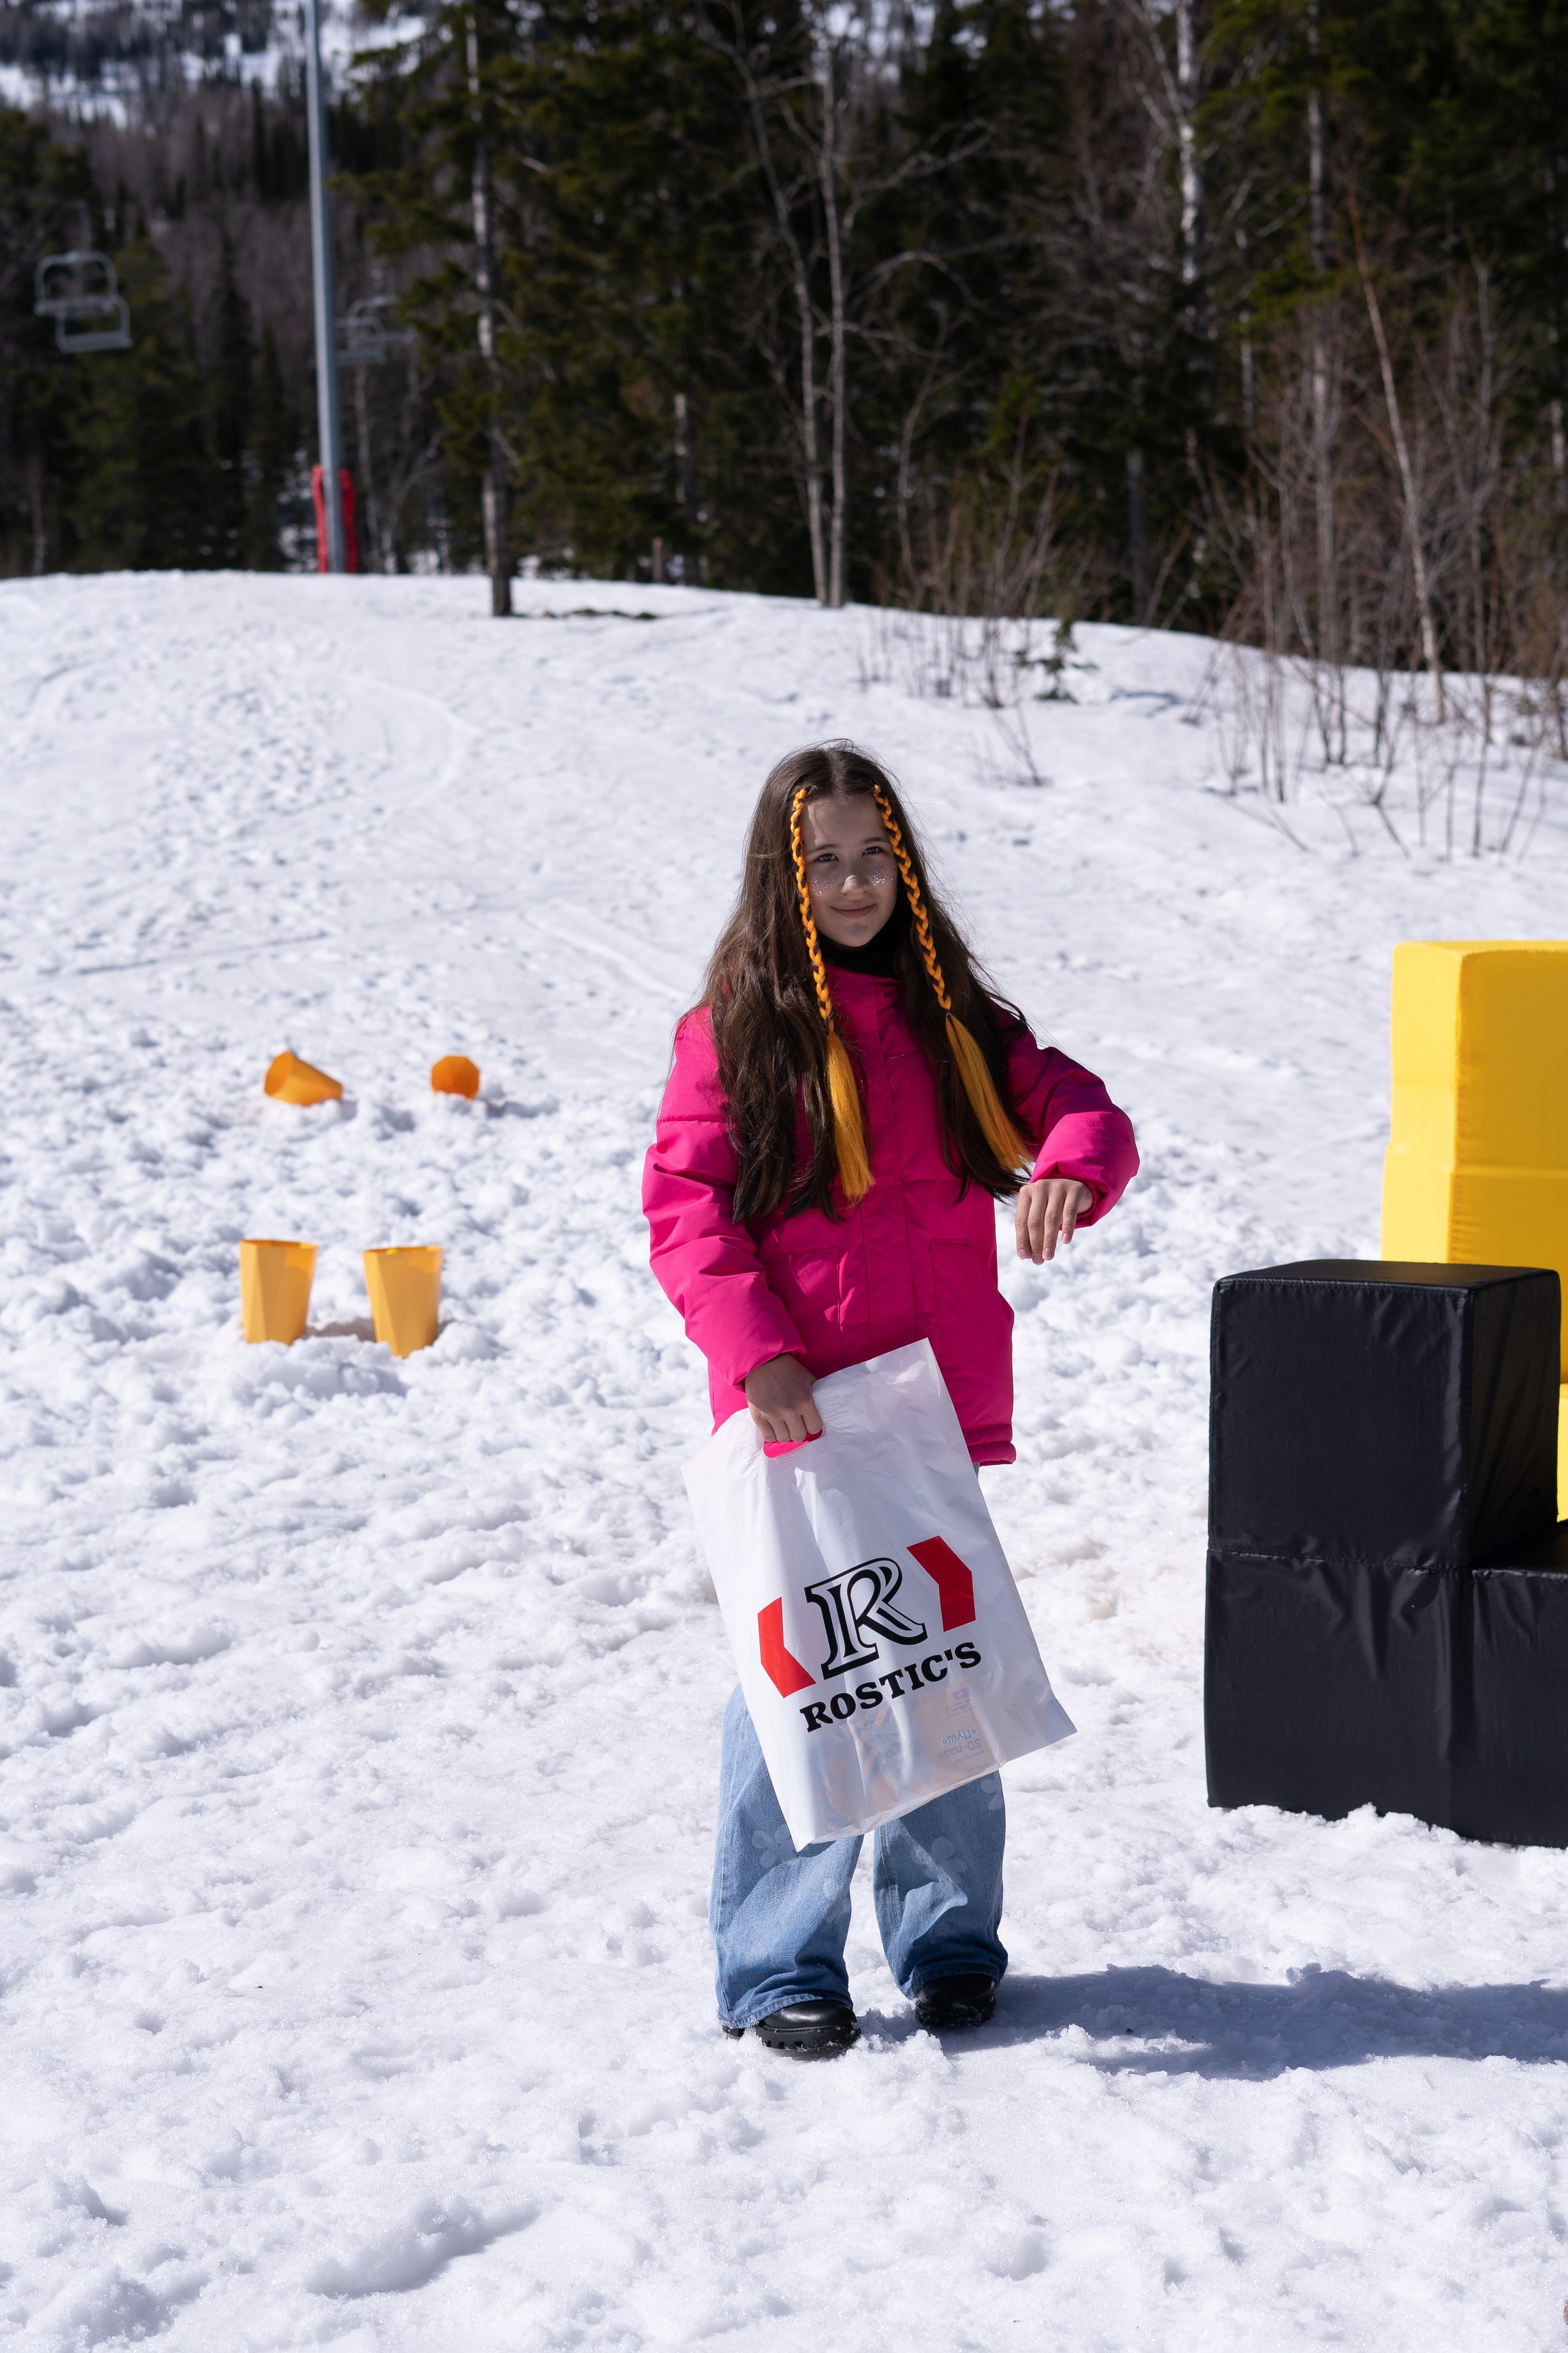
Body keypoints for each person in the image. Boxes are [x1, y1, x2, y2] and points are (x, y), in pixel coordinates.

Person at [643, 741, 1138, 2058]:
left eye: (876, 856)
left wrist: (1071, 1166)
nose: (854, 881)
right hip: (798, 1412)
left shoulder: (951, 1017)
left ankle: (949, 1940)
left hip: (922, 1413)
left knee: (938, 1662)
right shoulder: (735, 1033)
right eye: (825, 862)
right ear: (783, 876)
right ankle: (777, 1962)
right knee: (804, 1679)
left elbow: (1077, 1105)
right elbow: (686, 1210)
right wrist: (758, 1354)